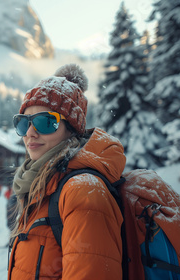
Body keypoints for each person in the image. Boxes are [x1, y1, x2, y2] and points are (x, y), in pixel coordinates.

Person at [7, 64, 125, 279]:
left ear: (71, 129)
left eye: (45, 122)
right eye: (23, 123)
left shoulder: (82, 192)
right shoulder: (40, 185)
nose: (30, 134)